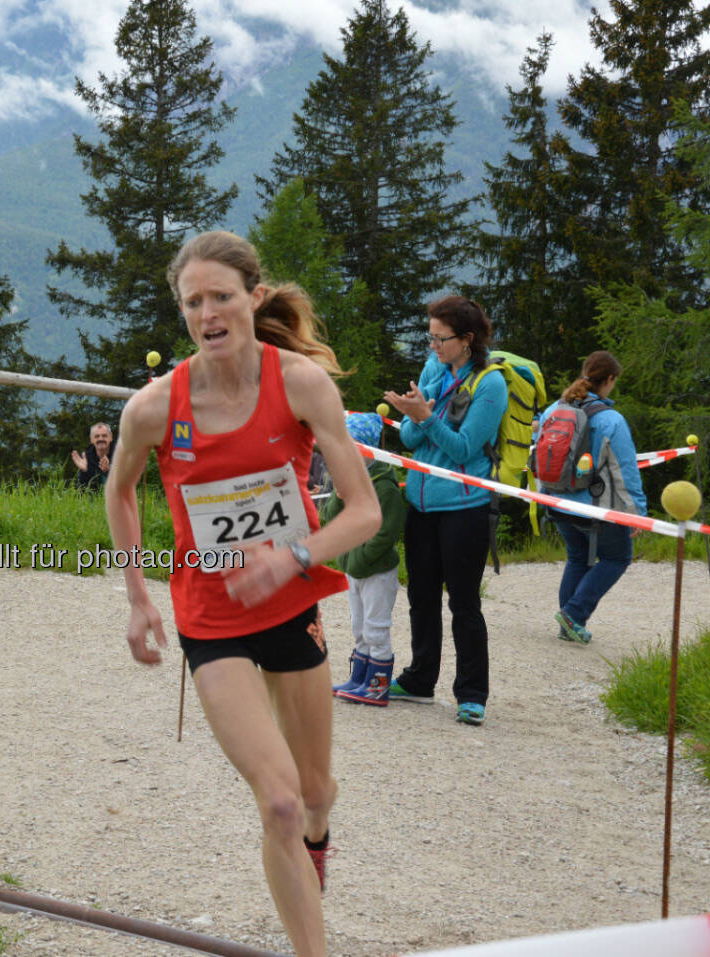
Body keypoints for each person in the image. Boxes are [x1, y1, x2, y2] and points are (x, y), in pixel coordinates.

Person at [105, 231, 380, 957]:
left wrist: (291, 557)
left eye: (221, 297)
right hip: (211, 617)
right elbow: (121, 490)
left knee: (315, 792)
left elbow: (364, 511)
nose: (207, 313)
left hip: (291, 606)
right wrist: (137, 595)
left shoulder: (300, 383)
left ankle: (319, 837)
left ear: (253, 299)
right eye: (192, 302)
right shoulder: (155, 408)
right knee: (281, 799)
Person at [381, 296, 509, 727]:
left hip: (464, 506)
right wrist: (413, 418)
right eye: (429, 336)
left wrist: (425, 417)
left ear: (467, 340)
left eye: (441, 338)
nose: (432, 345)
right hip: (421, 503)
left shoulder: (490, 384)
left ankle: (472, 693)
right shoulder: (434, 369)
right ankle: (420, 679)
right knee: (420, 595)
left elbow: (463, 450)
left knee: (464, 602)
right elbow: (411, 442)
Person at [534, 351, 646, 644]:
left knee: (578, 557)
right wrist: (637, 513)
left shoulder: (552, 411)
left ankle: (568, 624)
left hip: (557, 501)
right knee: (617, 557)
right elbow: (625, 472)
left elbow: (540, 454)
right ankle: (574, 614)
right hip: (598, 508)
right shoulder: (612, 420)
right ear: (609, 380)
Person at [322, 412, 406, 706]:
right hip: (354, 569)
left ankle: (377, 687)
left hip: (376, 571)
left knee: (376, 627)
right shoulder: (348, 477)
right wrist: (338, 495)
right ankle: (359, 679)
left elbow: (387, 532)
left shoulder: (384, 486)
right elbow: (328, 519)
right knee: (359, 627)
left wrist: (361, 558)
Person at [71, 422, 116, 491]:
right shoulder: (86, 458)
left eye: (104, 436)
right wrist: (84, 471)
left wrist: (108, 471)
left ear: (111, 437)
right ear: (91, 439)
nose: (101, 439)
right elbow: (81, 491)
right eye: (96, 436)